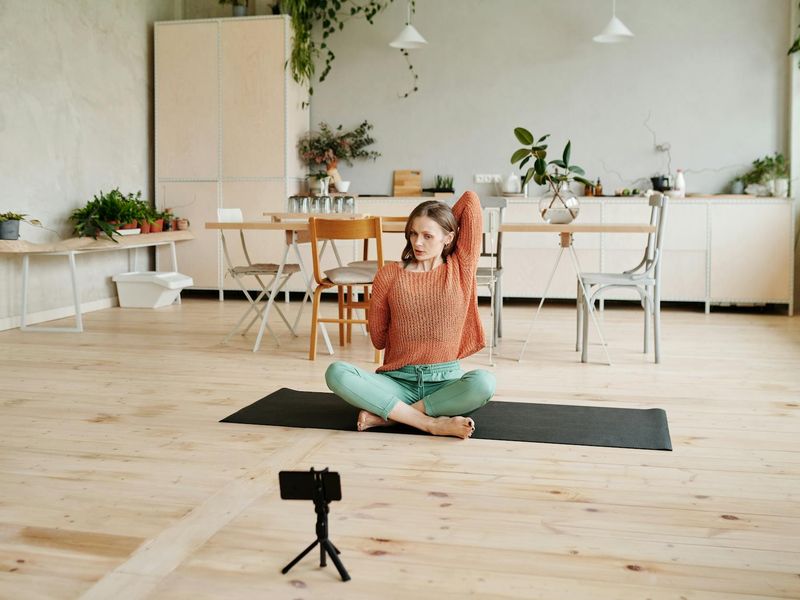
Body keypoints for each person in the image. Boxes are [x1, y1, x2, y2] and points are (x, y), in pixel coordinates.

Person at [325, 191, 496, 439]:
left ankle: (392, 418)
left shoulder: (461, 267)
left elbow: (471, 201)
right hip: (397, 382)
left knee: (484, 383)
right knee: (336, 373)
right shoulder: (389, 274)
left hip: (445, 382)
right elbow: (379, 340)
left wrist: (441, 216)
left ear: (449, 238)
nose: (418, 243)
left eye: (428, 236)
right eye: (414, 233)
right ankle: (430, 424)